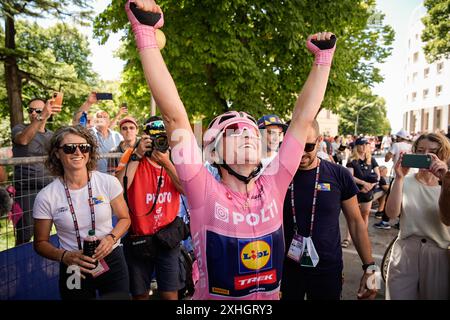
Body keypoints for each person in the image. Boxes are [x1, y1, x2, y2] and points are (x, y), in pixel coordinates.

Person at [125, 0, 336, 300]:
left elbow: (302, 120)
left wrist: (323, 61)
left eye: (250, 131)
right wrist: (145, 33)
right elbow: (174, 116)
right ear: (214, 153)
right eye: (233, 132)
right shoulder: (202, 189)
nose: (247, 135)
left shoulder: (273, 184)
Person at [281, 120, 377, 300]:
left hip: (327, 269)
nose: (301, 153)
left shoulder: (339, 174)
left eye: (308, 146)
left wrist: (371, 268)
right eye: (295, 146)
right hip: (286, 269)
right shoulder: (276, 174)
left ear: (319, 141)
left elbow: (356, 223)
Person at [32, 125, 131, 300]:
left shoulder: (108, 182)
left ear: (90, 151)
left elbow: (125, 219)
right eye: (70, 148)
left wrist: (111, 238)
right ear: (57, 153)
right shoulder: (46, 196)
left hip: (110, 257)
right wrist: (64, 256)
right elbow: (40, 243)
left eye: (84, 147)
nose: (78, 152)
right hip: (73, 264)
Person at [116, 116, 185, 300]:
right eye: (153, 138)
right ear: (144, 137)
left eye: (163, 137)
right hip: (138, 237)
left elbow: (186, 189)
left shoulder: (176, 158)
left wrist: (167, 163)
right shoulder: (132, 154)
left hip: (167, 238)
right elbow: (118, 188)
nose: (158, 142)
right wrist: (137, 156)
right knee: (140, 295)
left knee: (170, 294)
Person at [385, 132, 450, 300]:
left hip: (439, 254)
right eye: (420, 151)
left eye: (432, 152)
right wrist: (399, 178)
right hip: (405, 251)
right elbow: (391, 214)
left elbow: (447, 219)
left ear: (443, 155)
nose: (425, 156)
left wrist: (445, 181)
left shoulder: (447, 183)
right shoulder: (405, 181)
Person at [12, 97, 60, 245]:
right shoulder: (19, 128)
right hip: (26, 190)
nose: (34, 113)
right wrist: (40, 117)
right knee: (25, 234)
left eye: (38, 110)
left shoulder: (52, 135)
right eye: (31, 110)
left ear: (48, 112)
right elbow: (23, 140)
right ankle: (19, 266)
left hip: (49, 189)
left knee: (46, 233)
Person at [342, 138, 380, 247]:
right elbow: (350, 177)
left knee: (365, 214)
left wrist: (370, 186)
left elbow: (378, 176)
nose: (364, 147)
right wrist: (364, 183)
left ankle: (362, 236)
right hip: (354, 191)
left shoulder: (371, 159)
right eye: (362, 144)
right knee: (352, 216)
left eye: (366, 144)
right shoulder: (352, 160)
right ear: (356, 146)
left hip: (367, 191)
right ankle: (347, 238)